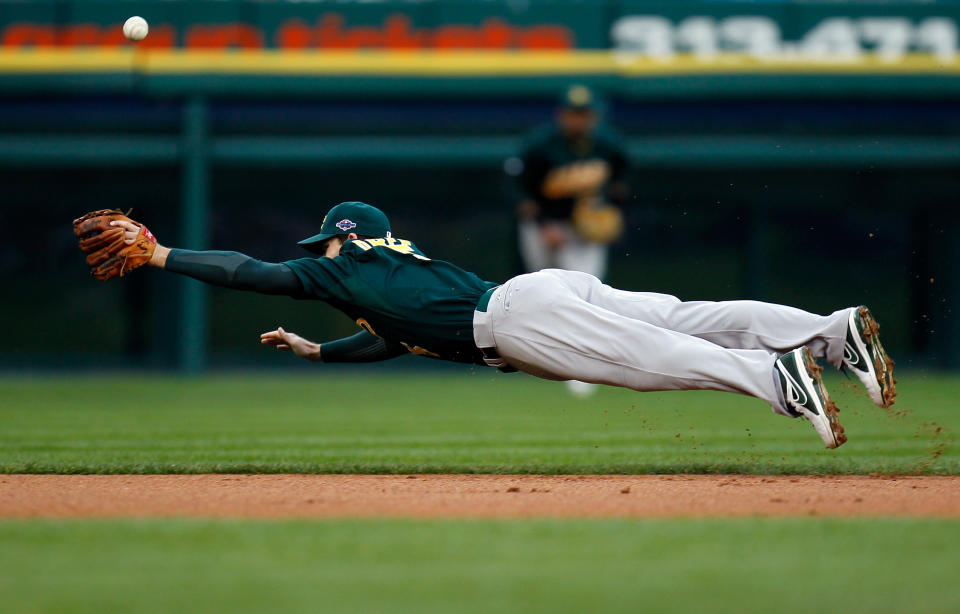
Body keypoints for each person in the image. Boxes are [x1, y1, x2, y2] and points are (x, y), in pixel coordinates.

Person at [105, 201, 895, 449]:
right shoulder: (390, 270)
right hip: (541, 289)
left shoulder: (339, 266)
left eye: (328, 238)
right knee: (693, 318)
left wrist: (163, 252)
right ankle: (829, 333)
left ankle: (779, 378)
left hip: (516, 322)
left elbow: (252, 272)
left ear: (344, 233)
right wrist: (322, 354)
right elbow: (393, 336)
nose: (322, 251)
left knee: (660, 357)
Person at [512, 84, 630, 396]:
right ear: (561, 114)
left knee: (585, 295)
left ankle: (582, 368)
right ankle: (536, 359)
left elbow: (621, 182)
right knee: (538, 294)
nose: (579, 119)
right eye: (573, 113)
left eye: (584, 114)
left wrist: (612, 212)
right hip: (543, 226)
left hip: (583, 230)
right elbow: (517, 188)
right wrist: (542, 225)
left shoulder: (608, 144)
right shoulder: (540, 145)